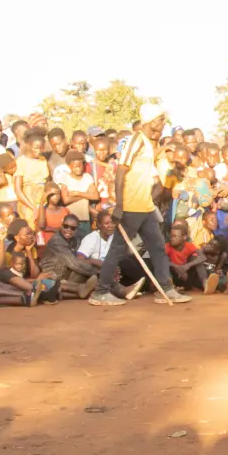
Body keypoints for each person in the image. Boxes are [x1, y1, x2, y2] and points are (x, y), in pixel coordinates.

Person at [89, 104, 189, 306]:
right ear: (151, 121)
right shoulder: (136, 141)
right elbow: (120, 171)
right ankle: (100, 292)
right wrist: (119, 205)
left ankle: (165, 289)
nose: (163, 124)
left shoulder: (149, 145)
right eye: (160, 120)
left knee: (158, 247)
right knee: (118, 249)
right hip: (131, 205)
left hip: (145, 206)